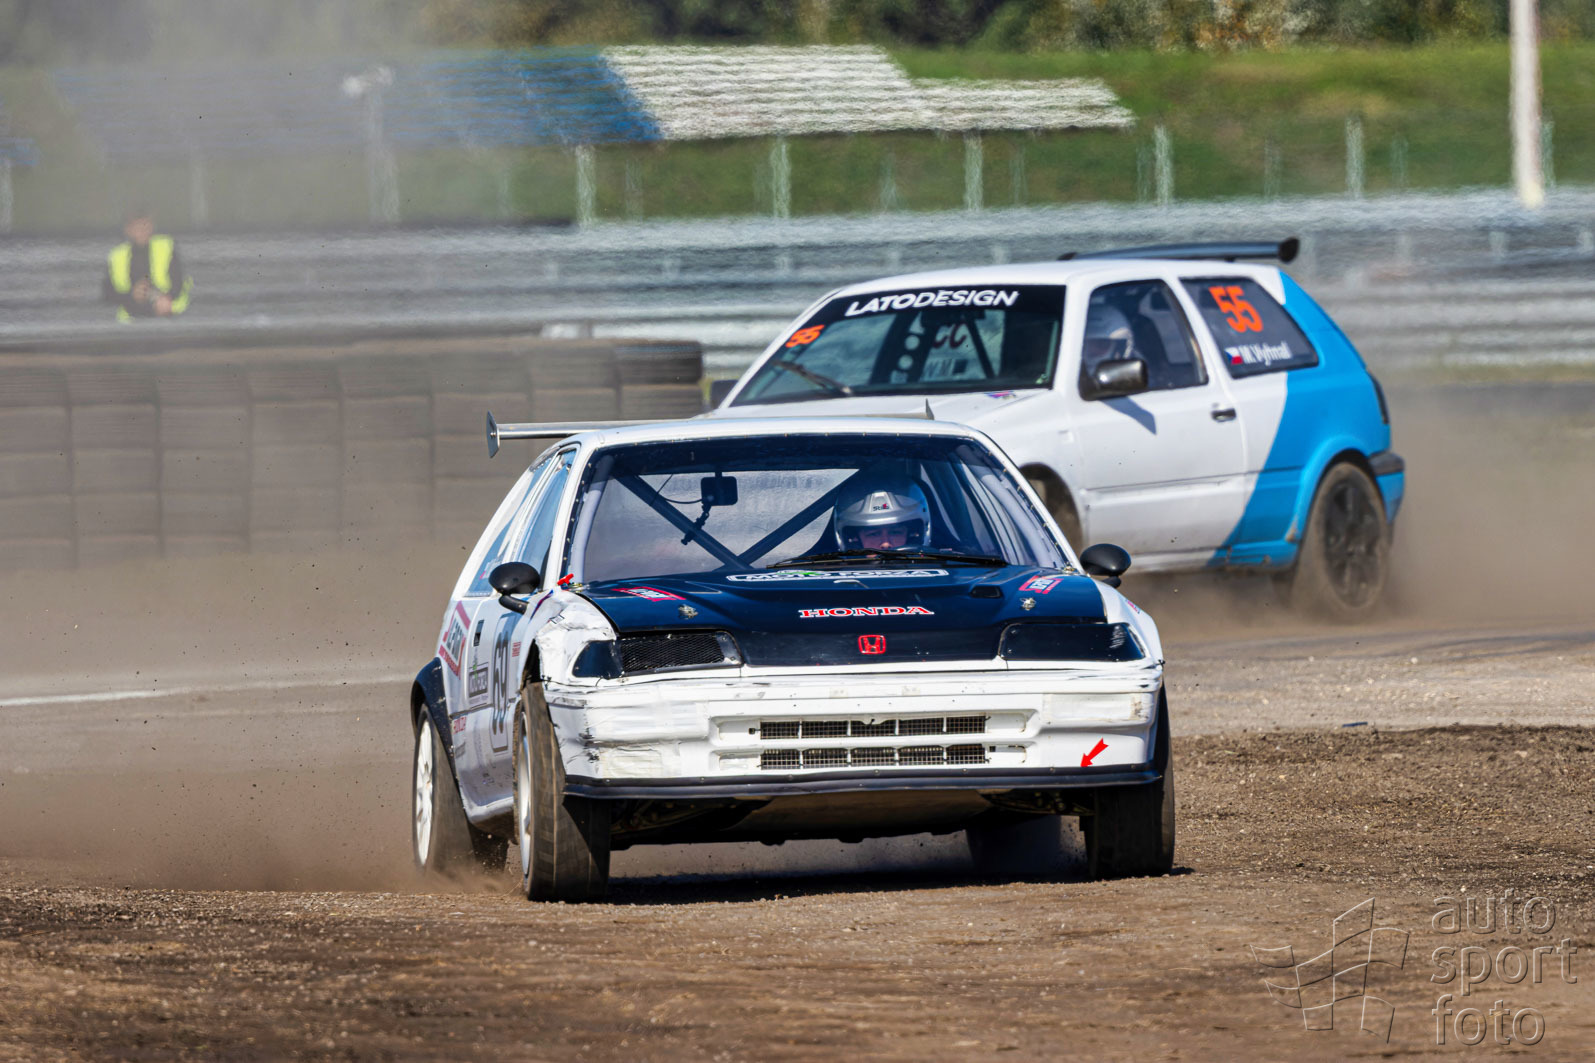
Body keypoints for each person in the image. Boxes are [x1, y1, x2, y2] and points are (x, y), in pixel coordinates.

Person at [102, 208, 192, 321]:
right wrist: (132, 295)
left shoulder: (166, 246)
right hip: (131, 318)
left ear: (152, 227)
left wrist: (166, 298)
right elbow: (108, 294)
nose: (142, 230)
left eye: (146, 225)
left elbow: (179, 281)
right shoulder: (118, 255)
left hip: (169, 314)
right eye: (137, 227)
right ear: (128, 230)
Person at [832, 475, 931, 552]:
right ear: (854, 540)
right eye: (873, 534)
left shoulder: (934, 568)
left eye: (895, 532)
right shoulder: (833, 570)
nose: (886, 544)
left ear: (912, 536)